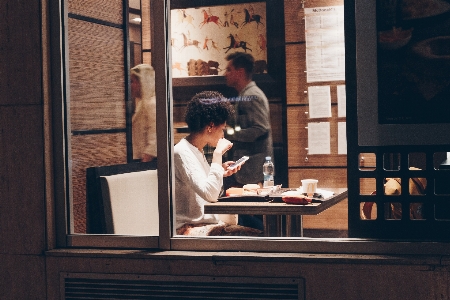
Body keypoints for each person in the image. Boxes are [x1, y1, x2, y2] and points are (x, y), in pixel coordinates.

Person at [174, 91, 262, 236]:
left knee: (259, 233)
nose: (223, 135)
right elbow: (211, 194)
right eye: (222, 129)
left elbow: (207, 187)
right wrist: (217, 154)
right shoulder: (181, 152)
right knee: (258, 237)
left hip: (206, 223)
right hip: (188, 228)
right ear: (210, 126)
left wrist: (220, 171)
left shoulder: (195, 150)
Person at [223, 52, 273, 230]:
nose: (225, 73)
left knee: (250, 217)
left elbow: (260, 128)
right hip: (249, 170)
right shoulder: (247, 94)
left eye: (229, 69)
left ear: (240, 71)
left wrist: (229, 135)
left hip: (253, 171)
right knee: (244, 215)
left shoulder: (252, 96)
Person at [130, 64, 157, 162]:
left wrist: (143, 164)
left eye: (132, 81)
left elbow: (155, 139)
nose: (130, 85)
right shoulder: (142, 103)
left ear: (142, 81)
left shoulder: (152, 104)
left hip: (147, 163)